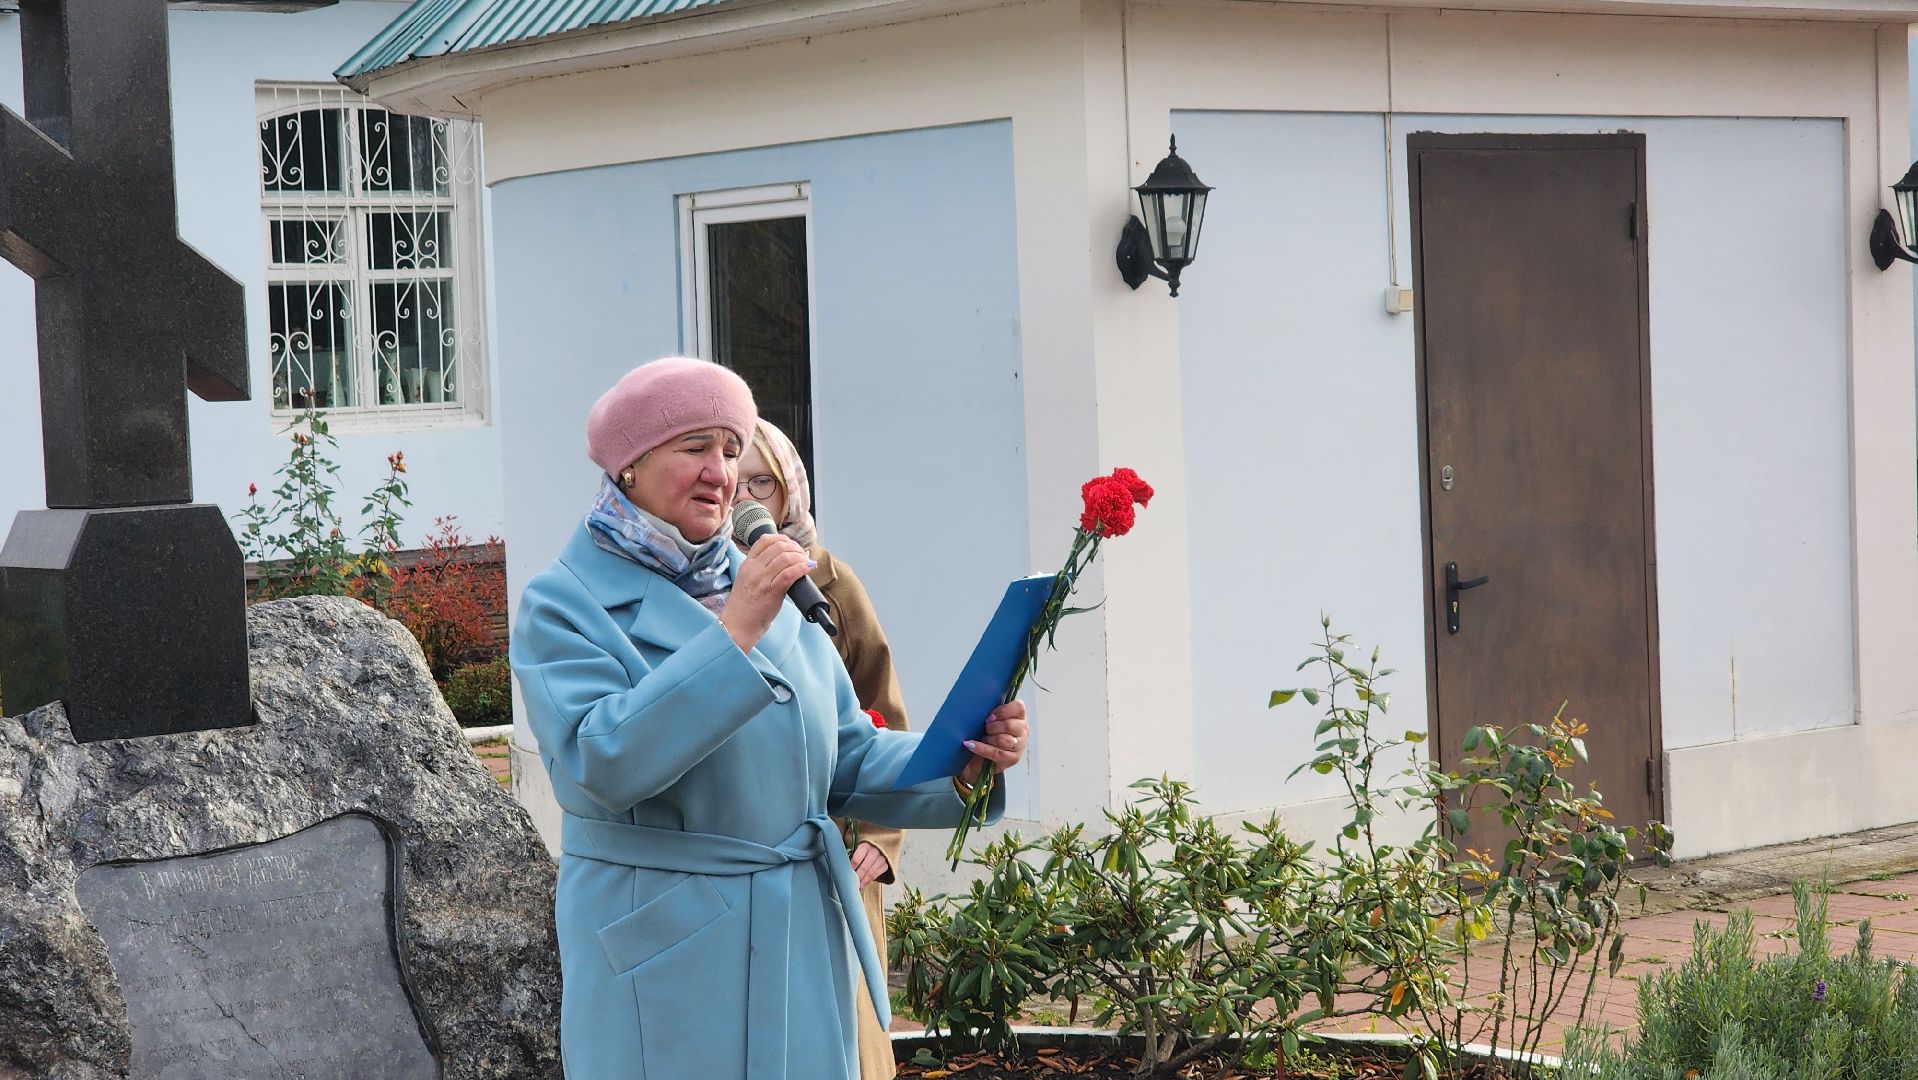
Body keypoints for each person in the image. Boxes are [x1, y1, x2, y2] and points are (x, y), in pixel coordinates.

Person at [509, 356, 1028, 1080]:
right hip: (669, 953)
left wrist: (963, 760)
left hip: (799, 945)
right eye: (694, 447)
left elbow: (844, 757)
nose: (721, 472)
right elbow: (602, 764)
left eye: (730, 448)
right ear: (628, 466)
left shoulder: (771, 587)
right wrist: (733, 634)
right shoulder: (563, 603)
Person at [738, 419, 907, 1080]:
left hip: (837, 852)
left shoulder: (830, 583)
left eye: (763, 483)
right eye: (737, 483)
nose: (746, 498)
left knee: (851, 1037)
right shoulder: (696, 587)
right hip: (747, 857)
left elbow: (883, 717)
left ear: (790, 493)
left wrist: (883, 837)